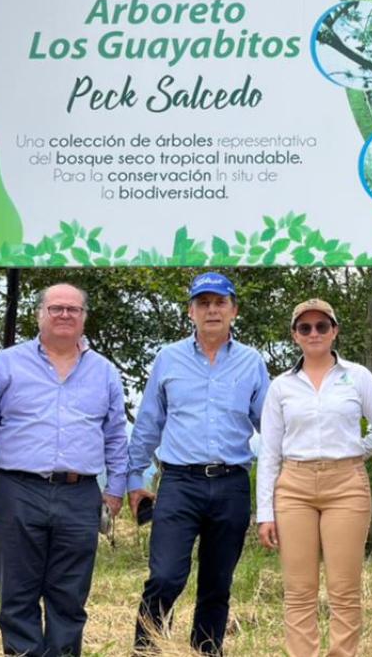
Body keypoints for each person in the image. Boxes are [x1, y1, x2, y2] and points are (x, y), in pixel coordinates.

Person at [0, 283, 129, 657]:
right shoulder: (4, 365)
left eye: (73, 309)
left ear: (84, 317)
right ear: (40, 314)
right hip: (16, 491)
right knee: (17, 595)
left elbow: (116, 434)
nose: (65, 315)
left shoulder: (104, 372)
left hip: (80, 494)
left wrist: (116, 488)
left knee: (69, 596)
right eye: (56, 308)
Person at [126, 272, 270, 655]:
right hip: (179, 483)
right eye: (203, 303)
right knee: (165, 576)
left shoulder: (251, 362)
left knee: (217, 583)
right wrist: (135, 478)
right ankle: (146, 649)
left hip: (231, 484)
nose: (212, 310)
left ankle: (206, 650)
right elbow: (149, 422)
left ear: (234, 310)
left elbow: (271, 426)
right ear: (190, 312)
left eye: (220, 303)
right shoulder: (168, 358)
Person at [255, 298, 372, 657]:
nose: (314, 333)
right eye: (305, 327)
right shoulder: (281, 386)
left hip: (346, 486)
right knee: (299, 591)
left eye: (321, 326)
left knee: (344, 590)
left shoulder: (357, 377)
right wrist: (264, 512)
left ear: (334, 331)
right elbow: (270, 452)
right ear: (295, 335)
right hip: (294, 487)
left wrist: (356, 450)